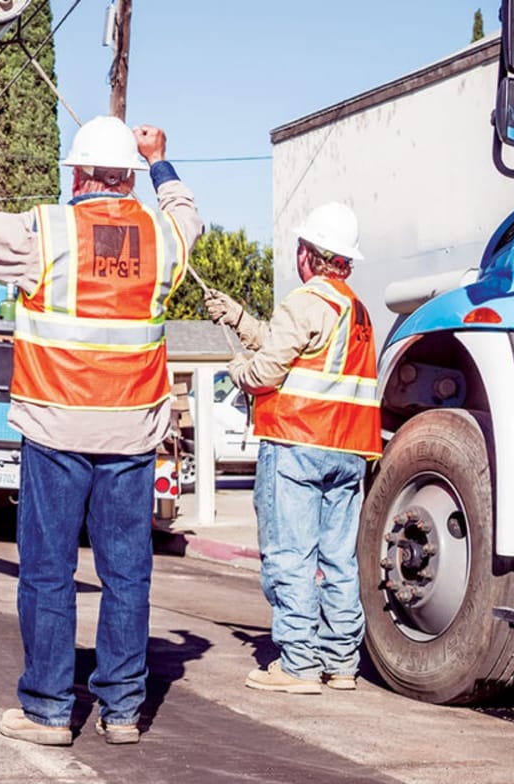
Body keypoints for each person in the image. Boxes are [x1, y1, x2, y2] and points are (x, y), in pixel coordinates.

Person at [0, 116, 203, 745]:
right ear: (128, 177)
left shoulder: (48, 232)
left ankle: (49, 710)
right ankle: (122, 713)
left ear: (80, 174)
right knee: (127, 575)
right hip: (132, 432)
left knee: (50, 570)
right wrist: (162, 161)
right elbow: (187, 213)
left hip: (56, 426)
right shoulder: (166, 239)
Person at [204, 202, 381, 695]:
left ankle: (299, 665)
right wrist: (239, 318)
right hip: (348, 452)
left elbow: (265, 371)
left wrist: (237, 370)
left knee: (290, 556)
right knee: (339, 560)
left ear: (309, 254)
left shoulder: (305, 302)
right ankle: (341, 660)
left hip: (297, 443)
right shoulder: (355, 310)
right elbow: (292, 346)